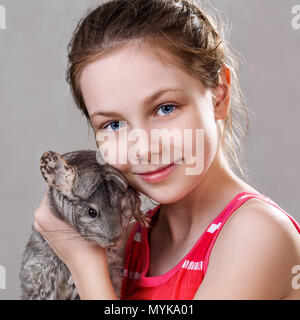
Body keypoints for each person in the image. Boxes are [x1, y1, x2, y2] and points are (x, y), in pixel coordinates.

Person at [33, 0, 300, 299]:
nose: (144, 148)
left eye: (165, 108)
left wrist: (84, 264)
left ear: (219, 95)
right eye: (114, 125)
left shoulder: (257, 235)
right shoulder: (129, 239)